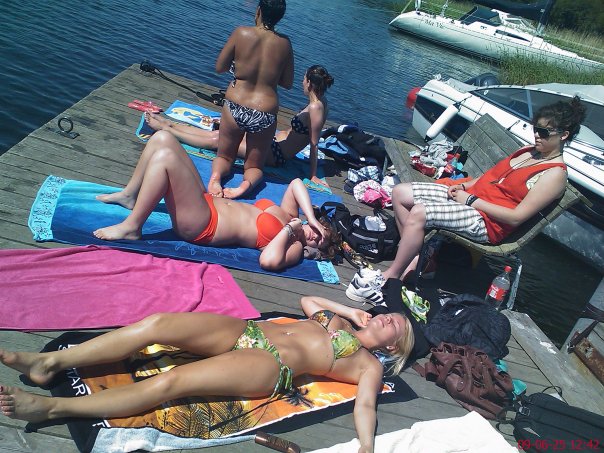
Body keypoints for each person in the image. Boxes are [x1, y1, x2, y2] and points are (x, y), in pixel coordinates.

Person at [0, 295, 414, 453]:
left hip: (270, 364)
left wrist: (366, 445)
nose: (386, 317)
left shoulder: (369, 364)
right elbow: (308, 300)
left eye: (394, 324)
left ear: (394, 346)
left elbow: (364, 404)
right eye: (388, 313)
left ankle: (52, 408)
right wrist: (349, 311)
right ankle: (49, 364)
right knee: (158, 323)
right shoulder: (337, 321)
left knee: (171, 383)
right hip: (249, 331)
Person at [346, 96, 586, 304]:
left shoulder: (554, 174)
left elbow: (516, 217)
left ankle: (392, 276)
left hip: (488, 221)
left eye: (544, 132)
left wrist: (470, 200)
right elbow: (490, 177)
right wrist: (464, 186)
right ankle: (418, 258)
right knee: (400, 192)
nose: (536, 135)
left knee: (419, 212)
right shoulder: (529, 151)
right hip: (470, 198)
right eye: (535, 128)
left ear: (564, 135)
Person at [92, 131, 338, 271]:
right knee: (163, 138)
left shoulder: (294, 245)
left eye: (319, 240)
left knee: (166, 158)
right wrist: (311, 217)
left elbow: (268, 261)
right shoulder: (290, 213)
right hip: (206, 202)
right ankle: (130, 195)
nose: (315, 235)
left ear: (315, 248)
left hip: (204, 224)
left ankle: (133, 227)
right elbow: (295, 183)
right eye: (319, 231)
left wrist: (289, 230)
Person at [145, 65, 334, 187]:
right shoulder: (321, 102)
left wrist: (313, 175)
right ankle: (170, 124)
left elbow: (314, 143)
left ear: (310, 83)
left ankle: (166, 129)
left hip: (275, 155)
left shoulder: (316, 107)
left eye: (304, 79)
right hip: (274, 142)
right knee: (224, 133)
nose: (301, 82)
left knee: (218, 140)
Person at [209, 0, 294, 199]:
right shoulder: (285, 43)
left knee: (224, 156)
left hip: (235, 104)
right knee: (254, 166)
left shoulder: (241, 33)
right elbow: (287, 83)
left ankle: (215, 178)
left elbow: (220, 67)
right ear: (280, 17)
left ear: (258, 11)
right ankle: (244, 188)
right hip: (264, 111)